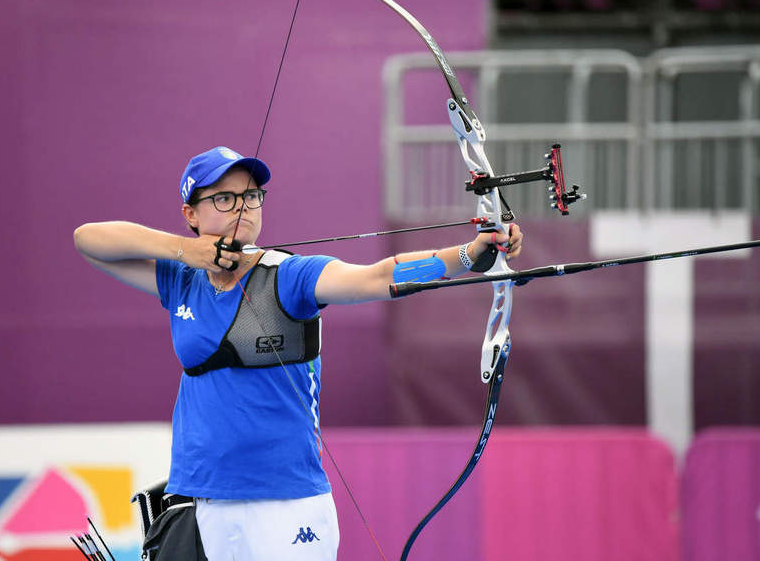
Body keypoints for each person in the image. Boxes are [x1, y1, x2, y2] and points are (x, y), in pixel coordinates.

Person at [73, 146, 523, 561]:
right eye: (224, 199)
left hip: (286, 504)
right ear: (190, 213)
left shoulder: (288, 276)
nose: (242, 208)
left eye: (251, 197)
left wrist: (466, 255)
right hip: (204, 500)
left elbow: (375, 277)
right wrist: (184, 250)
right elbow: (89, 240)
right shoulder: (180, 280)